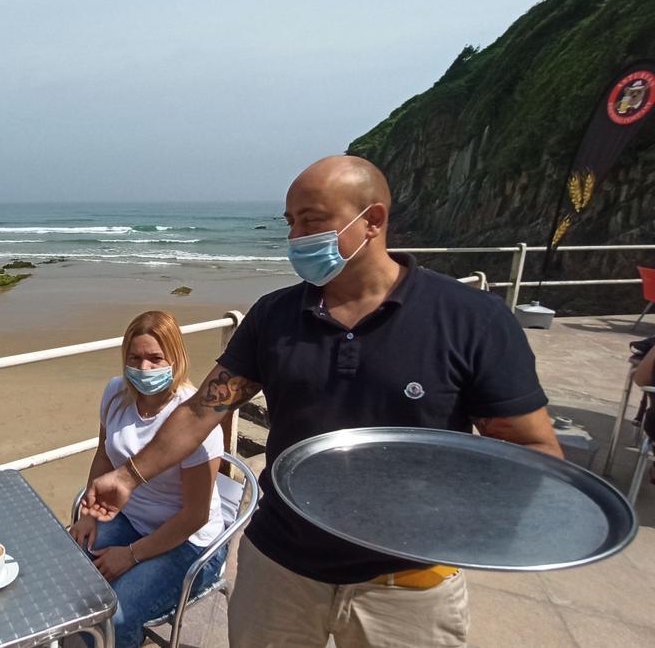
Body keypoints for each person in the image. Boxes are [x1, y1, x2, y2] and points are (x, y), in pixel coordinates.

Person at [83, 156, 561, 647]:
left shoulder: (469, 319)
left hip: (408, 584)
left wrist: (460, 520)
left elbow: (531, 455)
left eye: (311, 221)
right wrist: (127, 476)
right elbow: (203, 409)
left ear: (372, 220)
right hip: (281, 567)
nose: (296, 238)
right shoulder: (275, 316)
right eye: (290, 223)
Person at [69, 310, 227, 648]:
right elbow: (103, 456)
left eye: (156, 359)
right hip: (131, 519)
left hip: (190, 544)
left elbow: (195, 516)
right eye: (135, 358)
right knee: (67, 573)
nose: (145, 369)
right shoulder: (115, 394)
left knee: (117, 614)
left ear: (176, 357)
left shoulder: (194, 419)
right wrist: (89, 515)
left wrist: (130, 555)